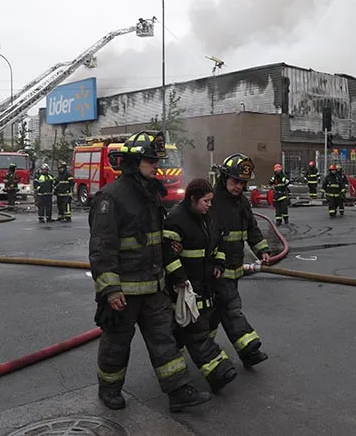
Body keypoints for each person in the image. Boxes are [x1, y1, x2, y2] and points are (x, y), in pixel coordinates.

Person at [89, 130, 211, 412]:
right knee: (117, 344)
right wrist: (110, 288)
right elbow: (101, 248)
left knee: (164, 340)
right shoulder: (111, 198)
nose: (156, 164)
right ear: (132, 162)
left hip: (154, 286)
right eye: (150, 160)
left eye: (156, 159)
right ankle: (109, 389)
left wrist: (173, 264)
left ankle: (179, 391)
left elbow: (156, 237)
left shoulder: (150, 194)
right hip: (125, 292)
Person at [163, 178, 238, 393]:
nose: (209, 205)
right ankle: (218, 371)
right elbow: (167, 253)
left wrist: (219, 263)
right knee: (195, 330)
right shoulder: (176, 220)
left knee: (193, 326)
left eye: (211, 201)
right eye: (205, 201)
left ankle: (176, 363)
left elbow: (218, 243)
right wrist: (180, 279)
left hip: (205, 282)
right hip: (185, 285)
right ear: (193, 199)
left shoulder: (207, 217)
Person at [209, 153, 271, 368]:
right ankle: (248, 349)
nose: (238, 186)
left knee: (215, 310)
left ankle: (200, 346)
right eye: (235, 181)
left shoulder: (242, 202)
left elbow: (252, 228)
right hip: (215, 268)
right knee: (230, 307)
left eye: (242, 183)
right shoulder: (212, 201)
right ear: (223, 178)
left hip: (234, 266)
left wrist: (262, 249)